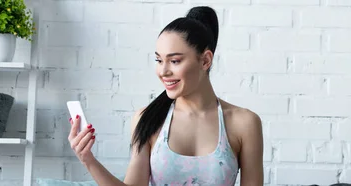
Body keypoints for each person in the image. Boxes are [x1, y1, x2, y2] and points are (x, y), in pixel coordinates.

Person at [67, 6, 264, 186]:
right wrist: (88, 159)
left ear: (205, 60)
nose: (163, 71)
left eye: (175, 61)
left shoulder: (244, 123)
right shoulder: (148, 119)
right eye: (159, 60)